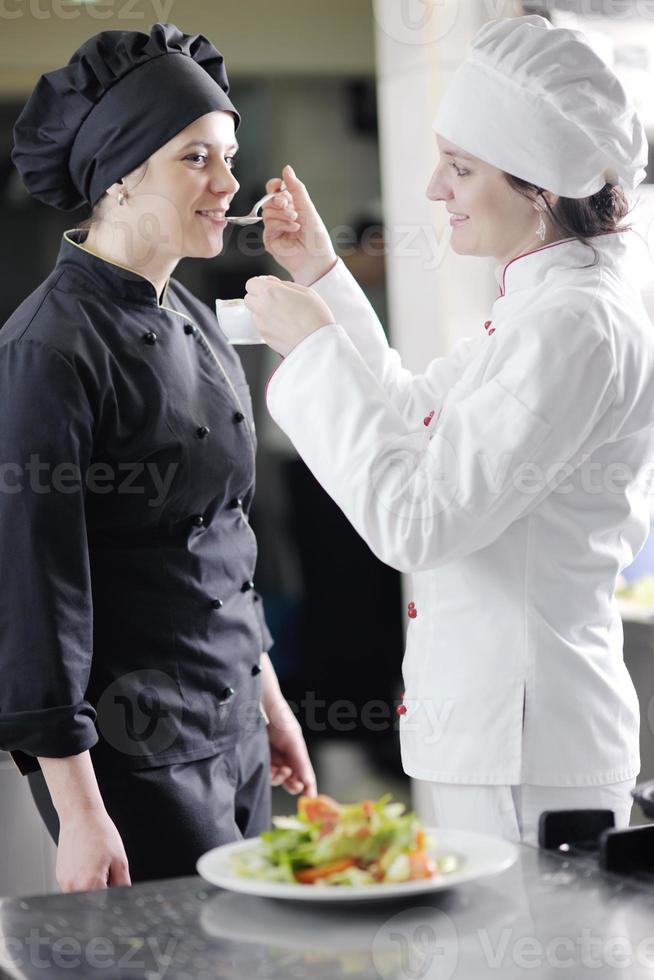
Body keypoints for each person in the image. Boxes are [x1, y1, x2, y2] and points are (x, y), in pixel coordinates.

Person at [244, 15, 654, 845]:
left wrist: (315, 348)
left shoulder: (572, 326)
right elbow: (406, 413)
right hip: (501, 738)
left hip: (527, 750)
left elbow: (417, 520)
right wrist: (324, 275)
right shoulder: (542, 307)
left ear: (540, 183)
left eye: (460, 168)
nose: (434, 190)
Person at [0, 22, 315, 893]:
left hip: (236, 733)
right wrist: (81, 812)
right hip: (131, 763)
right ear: (121, 173)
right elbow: (37, 592)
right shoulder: (46, 352)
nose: (229, 183)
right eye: (197, 160)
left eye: (231, 156)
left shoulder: (200, 320)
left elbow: (221, 539)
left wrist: (268, 699)